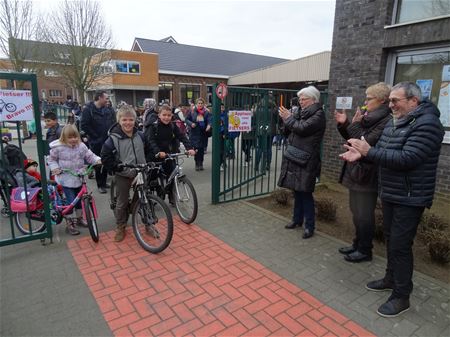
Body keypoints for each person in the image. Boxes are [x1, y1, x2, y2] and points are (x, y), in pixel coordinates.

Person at [340, 82, 444, 317]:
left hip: (410, 196)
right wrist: (361, 155)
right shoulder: (396, 121)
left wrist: (368, 152)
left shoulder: (427, 124)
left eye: (396, 100)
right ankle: (390, 278)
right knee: (390, 239)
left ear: (413, 101)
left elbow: (408, 158)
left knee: (400, 246)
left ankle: (401, 295)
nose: (391, 104)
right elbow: (382, 153)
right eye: (390, 100)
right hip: (391, 192)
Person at [334, 82, 392, 263]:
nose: (365, 102)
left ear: (382, 101)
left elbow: (364, 142)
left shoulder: (385, 121)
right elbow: (353, 140)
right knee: (355, 211)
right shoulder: (369, 118)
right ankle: (357, 243)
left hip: (369, 175)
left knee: (364, 215)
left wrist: (353, 124)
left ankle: (366, 250)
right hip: (357, 172)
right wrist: (345, 125)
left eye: (369, 98)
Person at [278, 86, 326, 239]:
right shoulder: (299, 113)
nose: (301, 102)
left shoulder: (318, 115)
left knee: (305, 194)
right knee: (296, 190)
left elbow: (302, 129)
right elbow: (288, 131)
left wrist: (289, 119)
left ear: (313, 99)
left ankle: (309, 226)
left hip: (307, 160)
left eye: (303, 99)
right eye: (300, 99)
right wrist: (285, 121)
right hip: (295, 156)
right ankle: (296, 220)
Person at [101, 105, 147, 242]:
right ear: (119, 121)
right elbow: (105, 156)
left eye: (131, 120)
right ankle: (121, 226)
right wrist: (116, 167)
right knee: (121, 201)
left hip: (140, 171)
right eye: (124, 120)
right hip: (123, 173)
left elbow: (149, 149)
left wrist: (150, 160)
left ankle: (147, 223)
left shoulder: (140, 135)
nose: (128, 123)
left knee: (142, 198)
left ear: (135, 120)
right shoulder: (113, 138)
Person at [48, 124, 101, 235]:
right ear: (64, 138)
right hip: (65, 178)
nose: (73, 140)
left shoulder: (81, 146)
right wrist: (56, 168)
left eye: (75, 137)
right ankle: (70, 223)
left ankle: (79, 218)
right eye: (70, 137)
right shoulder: (58, 148)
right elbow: (51, 160)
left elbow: (89, 156)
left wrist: (97, 160)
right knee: (71, 201)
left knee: (79, 202)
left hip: (79, 177)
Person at [145, 105, 195, 200]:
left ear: (172, 115)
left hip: (167, 154)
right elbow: (150, 140)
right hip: (154, 154)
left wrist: (189, 148)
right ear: (159, 115)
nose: (166, 117)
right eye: (164, 115)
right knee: (152, 175)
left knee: (171, 174)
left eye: (169, 115)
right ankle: (150, 194)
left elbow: (182, 136)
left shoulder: (172, 125)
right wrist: (158, 152)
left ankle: (172, 196)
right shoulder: (153, 126)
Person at [80, 90, 115, 194]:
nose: (107, 100)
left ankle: (104, 182)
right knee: (98, 163)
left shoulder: (106, 109)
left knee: (106, 161)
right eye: (106, 98)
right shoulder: (88, 110)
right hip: (96, 142)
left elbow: (111, 122)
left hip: (107, 140)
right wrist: (95, 136)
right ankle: (100, 185)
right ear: (99, 98)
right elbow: (84, 125)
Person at [185, 98, 211, 171]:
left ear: (203, 104)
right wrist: (191, 124)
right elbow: (186, 119)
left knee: (201, 150)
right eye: (198, 103)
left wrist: (209, 125)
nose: (200, 104)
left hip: (203, 133)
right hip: (194, 133)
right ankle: (197, 163)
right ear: (196, 104)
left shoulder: (206, 112)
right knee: (196, 149)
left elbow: (210, 120)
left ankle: (201, 163)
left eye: (201, 103)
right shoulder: (192, 111)